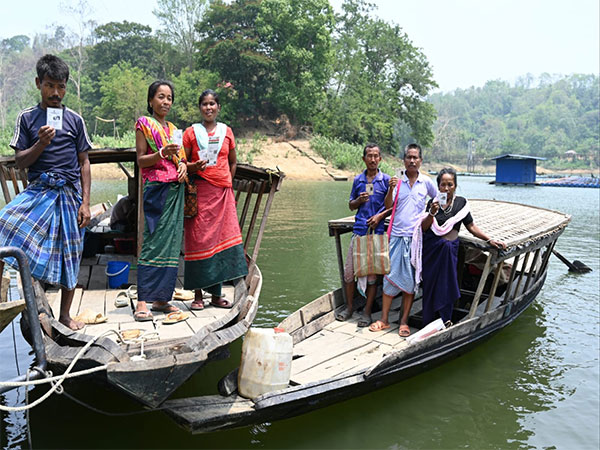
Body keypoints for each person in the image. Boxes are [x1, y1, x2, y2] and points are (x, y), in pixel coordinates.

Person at [0, 54, 91, 330]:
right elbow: (20, 163)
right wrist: (41, 143)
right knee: (3, 226)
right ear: (39, 83)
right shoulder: (27, 118)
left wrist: (86, 203)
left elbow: (84, 162)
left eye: (61, 86)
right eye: (50, 85)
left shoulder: (75, 120)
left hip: (69, 193)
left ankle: (65, 315)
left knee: (71, 253)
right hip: (38, 191)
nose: (55, 93)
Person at [412, 167, 506, 326]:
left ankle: (444, 319)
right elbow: (424, 228)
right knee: (430, 286)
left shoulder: (461, 203)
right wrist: (432, 213)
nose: (446, 188)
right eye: (443, 185)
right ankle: (428, 322)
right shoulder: (433, 202)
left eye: (450, 184)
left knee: (446, 284)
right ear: (438, 186)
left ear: (455, 186)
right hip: (432, 251)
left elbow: (471, 226)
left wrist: (489, 239)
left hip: (449, 252)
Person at [183, 89, 248, 309]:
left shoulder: (226, 131)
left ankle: (216, 296)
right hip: (200, 193)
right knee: (199, 241)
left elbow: (233, 161)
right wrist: (194, 166)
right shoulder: (191, 133)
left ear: (218, 107)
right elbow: (182, 163)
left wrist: (226, 180)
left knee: (220, 242)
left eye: (212, 104)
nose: (208, 108)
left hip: (222, 193)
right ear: (199, 107)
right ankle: (198, 296)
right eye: (204, 104)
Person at [369, 143, 437, 336]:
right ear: (404, 160)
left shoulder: (427, 183)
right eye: (409, 157)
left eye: (415, 157)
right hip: (396, 236)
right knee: (389, 278)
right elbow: (388, 205)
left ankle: (404, 321)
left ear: (421, 161)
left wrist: (433, 212)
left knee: (410, 281)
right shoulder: (397, 182)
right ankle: (384, 319)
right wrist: (390, 190)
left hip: (414, 239)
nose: (412, 161)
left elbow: (437, 197)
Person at [133, 80, 187, 321]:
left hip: (176, 190)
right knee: (153, 243)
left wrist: (185, 167)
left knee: (171, 246)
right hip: (157, 190)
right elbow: (141, 161)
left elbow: (181, 158)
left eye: (169, 98)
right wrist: (160, 154)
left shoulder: (175, 129)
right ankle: (142, 300)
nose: (166, 102)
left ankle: (162, 299)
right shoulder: (144, 124)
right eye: (161, 97)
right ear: (151, 100)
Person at [335, 143, 390, 327]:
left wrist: (380, 216)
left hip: (377, 233)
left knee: (372, 276)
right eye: (369, 156)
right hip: (359, 231)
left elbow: (391, 207)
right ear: (363, 159)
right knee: (349, 274)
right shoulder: (358, 180)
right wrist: (359, 200)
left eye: (376, 156)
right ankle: (349, 308)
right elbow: (351, 205)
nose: (373, 159)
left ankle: (366, 313)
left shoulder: (386, 181)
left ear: (380, 159)